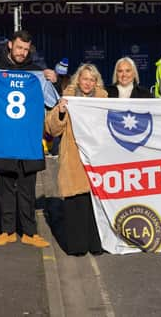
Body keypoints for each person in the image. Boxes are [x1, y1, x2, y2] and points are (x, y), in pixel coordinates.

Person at [0, 29, 57, 248]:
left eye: (26, 49)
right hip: (3, 142)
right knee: (5, 190)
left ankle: (29, 232)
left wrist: (54, 80)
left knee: (27, 191)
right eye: (19, 47)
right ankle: (7, 230)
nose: (22, 52)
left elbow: (53, 102)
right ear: (10, 45)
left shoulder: (37, 73)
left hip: (28, 143)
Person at [45, 64, 107, 255]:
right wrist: (61, 111)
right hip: (74, 159)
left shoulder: (104, 100)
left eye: (91, 79)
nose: (87, 83)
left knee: (95, 206)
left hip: (96, 160)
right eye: (84, 78)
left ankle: (97, 244)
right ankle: (77, 245)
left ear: (96, 82)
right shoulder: (67, 98)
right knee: (75, 204)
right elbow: (51, 129)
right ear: (77, 79)